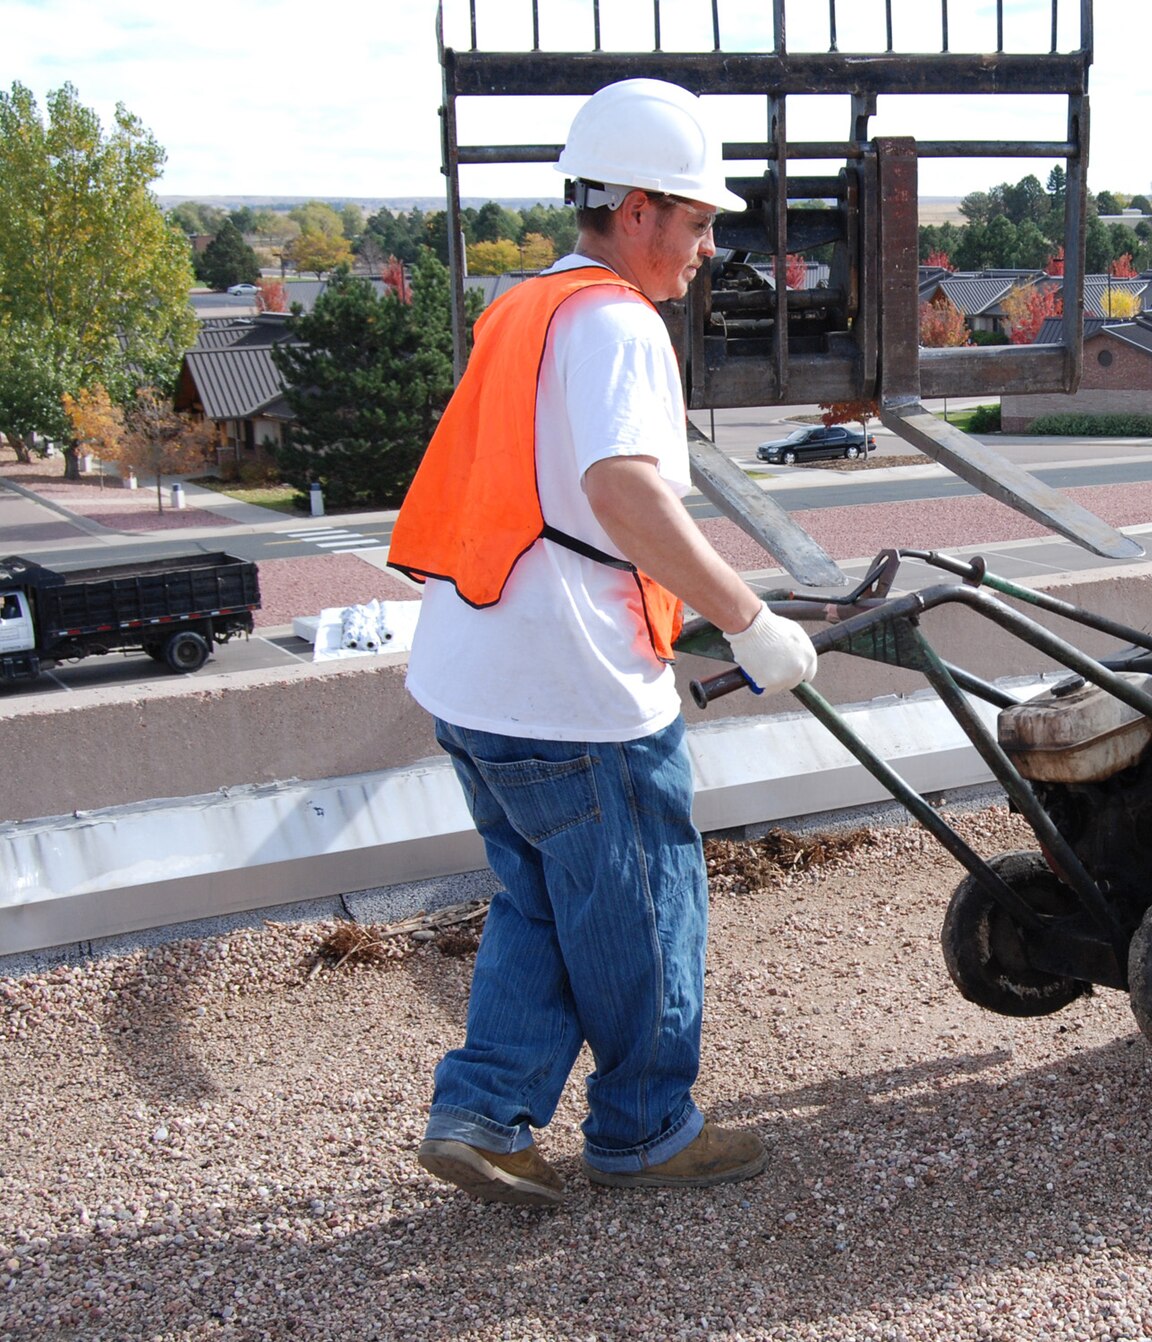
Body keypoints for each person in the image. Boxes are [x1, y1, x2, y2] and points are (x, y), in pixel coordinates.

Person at [387, 78, 819, 1206]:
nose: (707, 244)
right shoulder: (621, 324)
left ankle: (483, 1110)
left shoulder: (525, 306)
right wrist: (748, 617)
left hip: (471, 676)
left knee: (543, 900)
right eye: (697, 217)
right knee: (644, 906)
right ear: (636, 209)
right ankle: (645, 1131)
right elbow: (622, 491)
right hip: (574, 695)